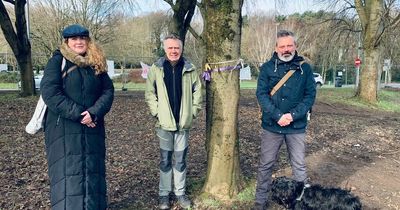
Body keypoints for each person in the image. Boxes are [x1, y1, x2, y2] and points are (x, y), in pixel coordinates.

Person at [40, 24, 114, 210]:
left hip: (93, 127)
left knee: (92, 169)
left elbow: (108, 91)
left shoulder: (96, 62)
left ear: (88, 41)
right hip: (64, 129)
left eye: (82, 38)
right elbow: (50, 92)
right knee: (68, 172)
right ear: (67, 42)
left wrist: (94, 113)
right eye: (74, 39)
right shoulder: (57, 62)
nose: (79, 42)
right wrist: (80, 115)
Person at [254, 30, 316, 210]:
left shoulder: (305, 69)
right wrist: (278, 115)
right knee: (265, 165)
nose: (286, 49)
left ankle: (302, 204)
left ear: (295, 46)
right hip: (272, 126)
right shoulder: (266, 68)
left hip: (296, 127)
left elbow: (310, 96)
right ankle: (260, 202)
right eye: (282, 46)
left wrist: (292, 115)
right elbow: (261, 95)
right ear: (276, 48)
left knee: (299, 167)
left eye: (289, 45)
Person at [145, 34, 202, 210]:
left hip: (182, 124)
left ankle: (180, 192)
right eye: (170, 48)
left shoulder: (190, 68)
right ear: (165, 49)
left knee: (180, 160)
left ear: (181, 49)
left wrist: (191, 113)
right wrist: (157, 113)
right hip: (164, 125)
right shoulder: (156, 68)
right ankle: (164, 194)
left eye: (176, 48)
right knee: (165, 160)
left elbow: (197, 93)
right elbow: (149, 93)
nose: (174, 51)